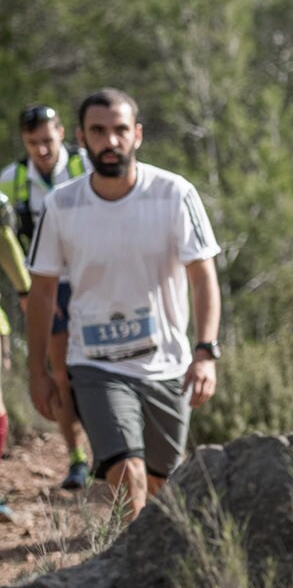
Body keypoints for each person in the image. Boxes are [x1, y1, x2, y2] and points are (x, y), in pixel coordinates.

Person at [25, 90, 222, 523]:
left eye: (119, 130)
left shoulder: (173, 194)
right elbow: (41, 292)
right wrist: (37, 370)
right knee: (127, 473)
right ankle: (137, 577)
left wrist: (205, 351)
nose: (109, 141)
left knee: (161, 490)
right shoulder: (62, 205)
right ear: (81, 137)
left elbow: (203, 275)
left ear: (137, 135)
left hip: (166, 366)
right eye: (98, 131)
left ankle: (150, 567)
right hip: (96, 365)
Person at [1, 104, 94, 493]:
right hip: (47, 286)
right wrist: (28, 291)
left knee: (99, 368)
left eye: (48, 140)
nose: (42, 149)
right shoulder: (13, 180)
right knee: (61, 373)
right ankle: (77, 458)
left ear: (63, 134)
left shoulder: (87, 166)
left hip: (95, 282)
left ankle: (111, 447)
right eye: (33, 142)